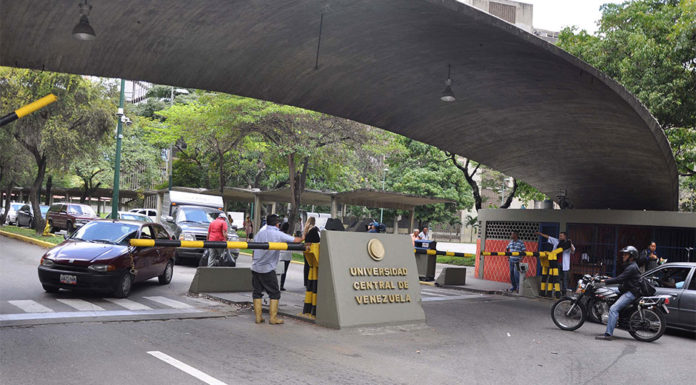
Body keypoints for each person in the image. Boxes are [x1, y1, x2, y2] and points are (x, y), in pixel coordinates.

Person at [251, 214, 303, 325]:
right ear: (277, 224)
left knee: (257, 293)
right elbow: (297, 240)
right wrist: (306, 231)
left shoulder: (259, 234)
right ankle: (273, 318)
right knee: (274, 293)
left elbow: (253, 251)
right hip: (268, 269)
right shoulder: (278, 234)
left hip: (255, 268)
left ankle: (258, 317)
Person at [596, 246, 642, 340]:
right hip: (626, 289)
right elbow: (621, 278)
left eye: (626, 254)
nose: (623, 256)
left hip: (631, 292)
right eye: (623, 254)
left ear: (631, 257)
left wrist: (604, 281)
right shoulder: (631, 266)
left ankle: (608, 334)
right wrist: (606, 278)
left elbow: (620, 279)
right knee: (607, 291)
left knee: (613, 309)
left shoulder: (632, 267)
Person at [303, 217, 320, 288]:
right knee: (312, 267)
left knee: (306, 266)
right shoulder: (314, 230)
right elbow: (317, 239)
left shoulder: (306, 229)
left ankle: (306, 282)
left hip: (306, 249)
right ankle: (311, 283)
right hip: (312, 250)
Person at [278, 222, 292, 291]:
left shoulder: (279, 235)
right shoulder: (288, 236)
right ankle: (281, 285)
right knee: (284, 271)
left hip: (280, 255)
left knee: (279, 270)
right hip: (287, 255)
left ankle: (278, 284)